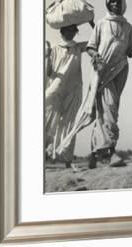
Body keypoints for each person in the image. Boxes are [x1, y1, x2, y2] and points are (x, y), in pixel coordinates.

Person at [57, 0, 132, 169]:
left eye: (118, 2)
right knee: (108, 108)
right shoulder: (101, 24)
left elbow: (129, 50)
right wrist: (97, 58)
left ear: (123, 4)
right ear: (108, 5)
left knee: (109, 110)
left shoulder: (128, 27)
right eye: (112, 2)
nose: (115, 5)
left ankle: (94, 154)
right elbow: (91, 47)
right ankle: (110, 152)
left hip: (120, 71)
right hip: (102, 72)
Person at [45, 25, 88, 168]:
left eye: (73, 30)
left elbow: (97, 40)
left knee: (69, 123)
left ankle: (67, 159)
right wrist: (47, 57)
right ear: (62, 31)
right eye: (67, 30)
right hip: (55, 89)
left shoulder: (78, 47)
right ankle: (45, 154)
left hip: (74, 89)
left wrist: (92, 23)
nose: (70, 33)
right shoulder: (54, 49)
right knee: (49, 122)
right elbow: (49, 73)